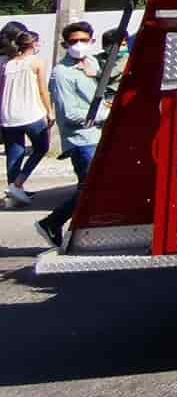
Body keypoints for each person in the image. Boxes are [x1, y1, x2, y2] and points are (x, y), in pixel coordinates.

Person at [37, 22, 105, 246]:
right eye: (73, 41)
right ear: (65, 44)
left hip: (98, 136)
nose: (78, 45)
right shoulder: (61, 73)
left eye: (83, 41)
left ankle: (76, 231)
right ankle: (52, 223)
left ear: (92, 41)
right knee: (91, 189)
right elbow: (69, 114)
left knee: (92, 189)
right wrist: (106, 114)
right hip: (82, 140)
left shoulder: (92, 63)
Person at [2, 25, 54, 208]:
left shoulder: (8, 64)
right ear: (33, 44)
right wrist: (50, 111)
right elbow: (43, 90)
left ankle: (14, 191)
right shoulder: (37, 62)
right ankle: (17, 184)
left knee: (14, 154)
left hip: (8, 115)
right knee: (41, 148)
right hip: (31, 113)